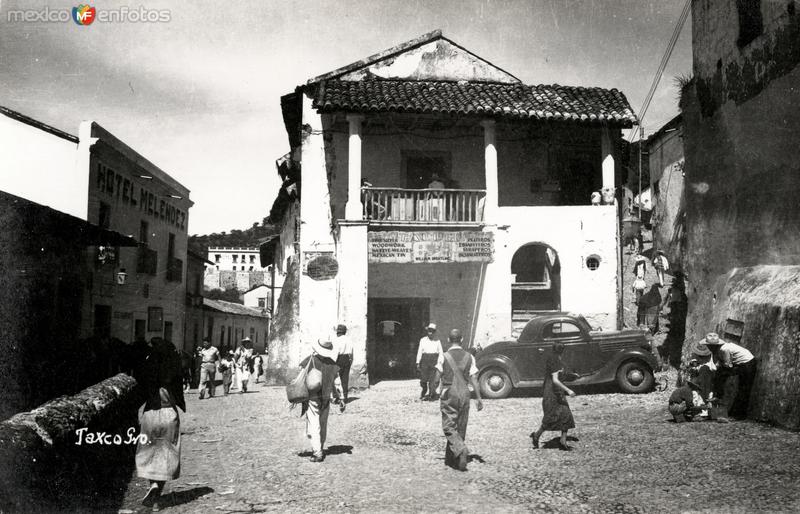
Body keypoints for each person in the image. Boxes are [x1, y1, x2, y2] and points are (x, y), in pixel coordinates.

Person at [135, 337, 185, 510]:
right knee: (167, 455)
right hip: (169, 414)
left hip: (150, 415)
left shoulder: (148, 376)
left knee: (149, 452)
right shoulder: (173, 375)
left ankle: (152, 485)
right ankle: (157, 496)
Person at [436, 329, 483, 471]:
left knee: (449, 426)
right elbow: (474, 378)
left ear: (449, 340)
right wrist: (479, 397)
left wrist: (433, 389)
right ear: (461, 340)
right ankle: (452, 459)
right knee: (461, 426)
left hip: (449, 392)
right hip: (464, 393)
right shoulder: (470, 357)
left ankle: (461, 450)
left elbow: (437, 376)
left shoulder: (443, 356)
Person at [701, 332, 757, 422]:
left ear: (714, 346)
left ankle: (738, 414)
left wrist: (722, 375)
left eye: (709, 346)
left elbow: (728, 365)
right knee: (721, 374)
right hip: (741, 364)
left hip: (748, 364)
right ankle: (720, 396)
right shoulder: (718, 351)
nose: (708, 347)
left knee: (743, 389)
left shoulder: (724, 349)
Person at [299, 339, 340, 462]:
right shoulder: (332, 364)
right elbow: (337, 383)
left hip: (313, 397)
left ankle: (317, 452)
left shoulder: (310, 360)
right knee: (323, 424)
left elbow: (301, 376)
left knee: (314, 423)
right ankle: (320, 447)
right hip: (326, 398)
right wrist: (340, 397)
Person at [531, 343, 576, 451]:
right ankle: (536, 435)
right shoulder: (555, 361)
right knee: (551, 416)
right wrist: (568, 390)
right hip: (552, 392)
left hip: (552, 390)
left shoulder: (553, 358)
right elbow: (555, 380)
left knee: (566, 414)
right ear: (562, 351)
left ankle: (562, 441)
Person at [416, 323, 443, 401]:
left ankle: (431, 394)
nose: (430, 332)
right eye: (429, 331)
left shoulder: (437, 341)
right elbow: (420, 351)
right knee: (423, 379)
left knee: (432, 379)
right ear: (427, 331)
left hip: (434, 360)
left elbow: (440, 353)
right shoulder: (423, 340)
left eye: (432, 331)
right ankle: (424, 390)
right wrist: (418, 362)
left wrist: (439, 362)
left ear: (434, 332)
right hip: (425, 360)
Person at [333, 324, 354, 411]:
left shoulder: (337, 340)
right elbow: (352, 352)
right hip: (347, 359)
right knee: (345, 379)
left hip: (339, 359)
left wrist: (333, 362)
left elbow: (335, 353)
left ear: (338, 332)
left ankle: (339, 398)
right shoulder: (349, 339)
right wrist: (351, 361)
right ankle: (344, 398)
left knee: (337, 380)